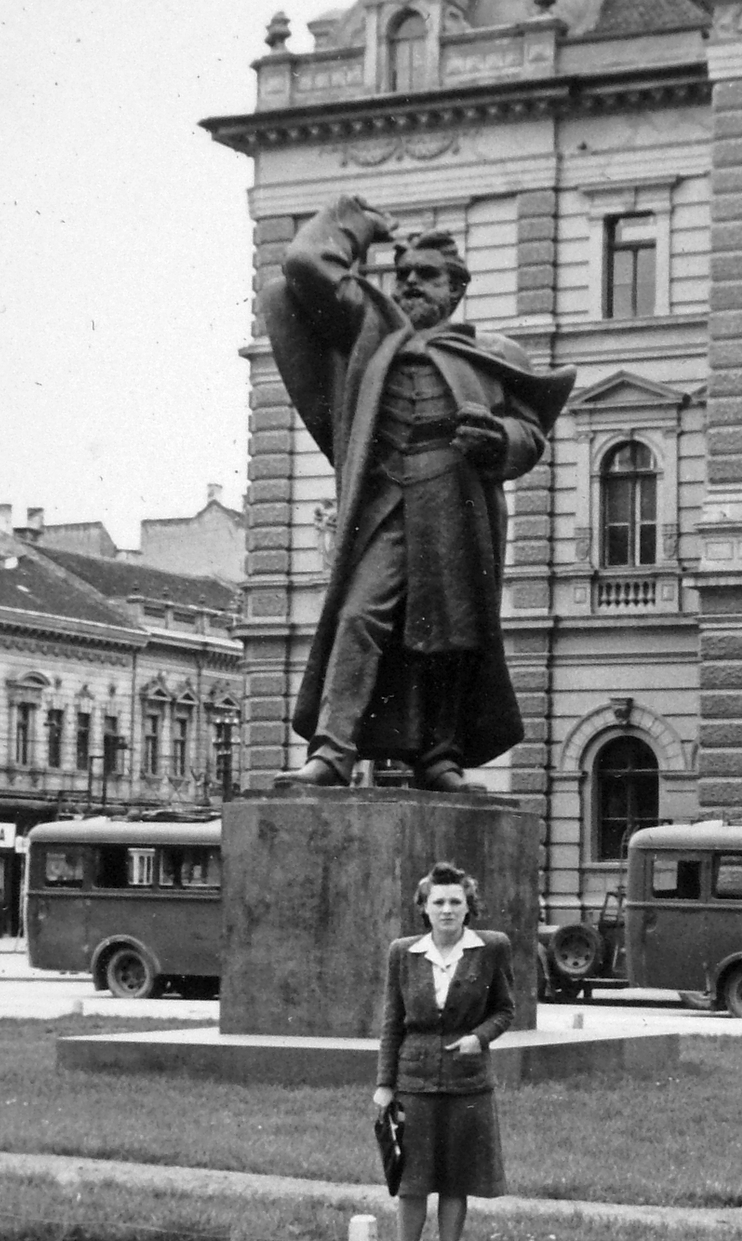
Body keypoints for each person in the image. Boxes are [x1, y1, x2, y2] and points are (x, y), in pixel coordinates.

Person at [264, 194, 575, 792]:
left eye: (426, 275)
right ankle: (332, 750)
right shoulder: (370, 328)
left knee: (451, 633)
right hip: (385, 502)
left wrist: (499, 441)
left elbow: (530, 433)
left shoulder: (494, 354)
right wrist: (362, 222)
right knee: (360, 615)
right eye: (402, 274)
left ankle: (440, 757)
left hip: (456, 503)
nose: (410, 284)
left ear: (456, 289)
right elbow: (305, 262)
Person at [373, 862, 514, 1241]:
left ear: (469, 907)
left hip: (467, 1084)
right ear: (424, 908)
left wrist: (480, 1038)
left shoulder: (491, 948)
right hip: (414, 1082)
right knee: (412, 1183)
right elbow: (392, 1023)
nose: (448, 909)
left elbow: (504, 1010)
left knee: (455, 1182)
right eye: (439, 902)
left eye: (456, 901)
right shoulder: (403, 952)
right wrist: (385, 1084)